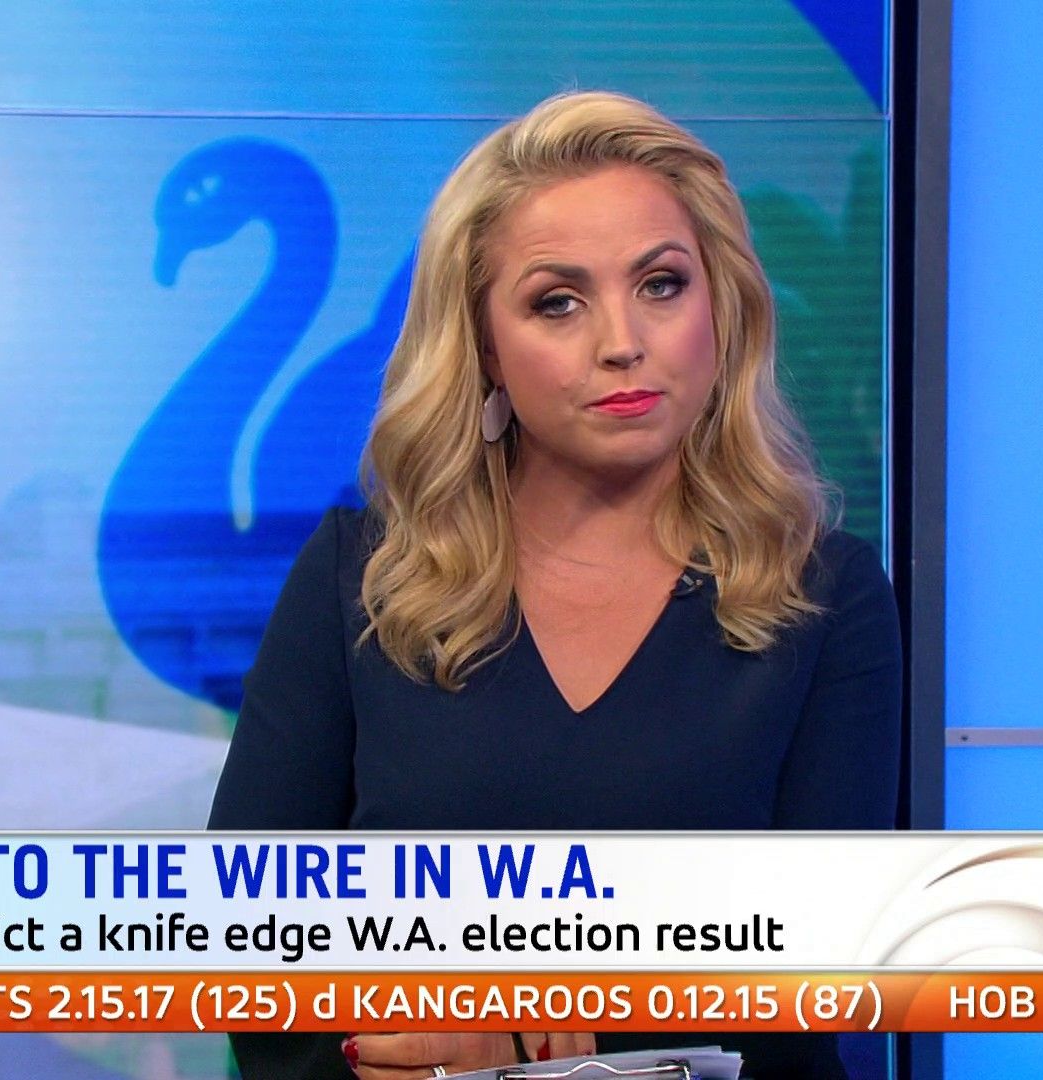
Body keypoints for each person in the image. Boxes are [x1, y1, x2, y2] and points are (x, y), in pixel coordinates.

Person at [208, 90, 901, 1079]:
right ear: (485, 345)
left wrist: (530, 1022)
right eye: (557, 302)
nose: (621, 341)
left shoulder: (826, 597)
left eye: (661, 284)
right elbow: (247, 951)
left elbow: (818, 979)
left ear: (722, 310)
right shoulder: (360, 581)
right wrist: (397, 1048)